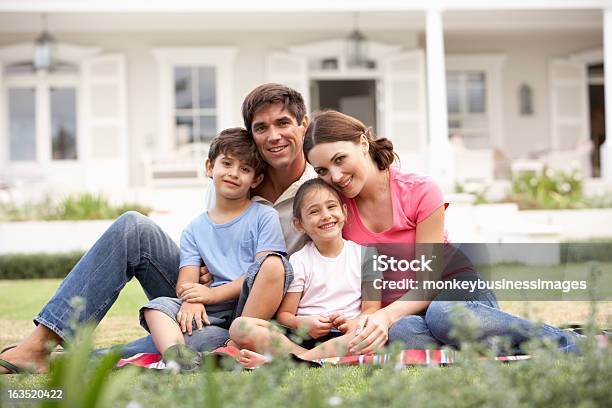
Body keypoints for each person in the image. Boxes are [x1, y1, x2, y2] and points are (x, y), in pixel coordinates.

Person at [0, 83, 315, 374]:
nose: (273, 136)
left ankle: (73, 362)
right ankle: (38, 346)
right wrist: (194, 291)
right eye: (261, 128)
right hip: (208, 300)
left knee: (188, 343)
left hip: (262, 312)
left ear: (303, 124)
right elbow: (203, 251)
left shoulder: (320, 188)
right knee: (132, 226)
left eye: (283, 123)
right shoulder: (228, 184)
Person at [303, 110, 582, 355]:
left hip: (454, 291)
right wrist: (371, 318)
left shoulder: (420, 191)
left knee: (444, 314)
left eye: (340, 159)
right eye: (323, 170)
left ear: (363, 144)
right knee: (402, 335)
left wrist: (385, 316)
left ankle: (569, 342)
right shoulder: (337, 211)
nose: (335, 177)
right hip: (404, 312)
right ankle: (494, 344)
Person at [140, 127, 290, 364]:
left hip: (250, 309)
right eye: (227, 164)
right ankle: (179, 357)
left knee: (274, 264)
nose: (234, 173)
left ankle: (231, 342)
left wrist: (210, 294)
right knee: (155, 308)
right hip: (212, 315)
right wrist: (192, 299)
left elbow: (265, 272)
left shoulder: (264, 215)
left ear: (256, 179)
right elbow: (186, 281)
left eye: (245, 169)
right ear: (210, 167)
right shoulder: (194, 228)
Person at [229, 178, 380, 368]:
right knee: (239, 326)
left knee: (369, 332)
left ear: (344, 211)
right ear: (299, 224)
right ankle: (306, 359)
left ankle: (290, 361)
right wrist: (304, 324)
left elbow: (371, 310)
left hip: (345, 336)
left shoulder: (367, 255)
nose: (326, 216)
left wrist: (352, 323)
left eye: (331, 207)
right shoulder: (300, 260)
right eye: (314, 211)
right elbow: (285, 315)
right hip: (300, 338)